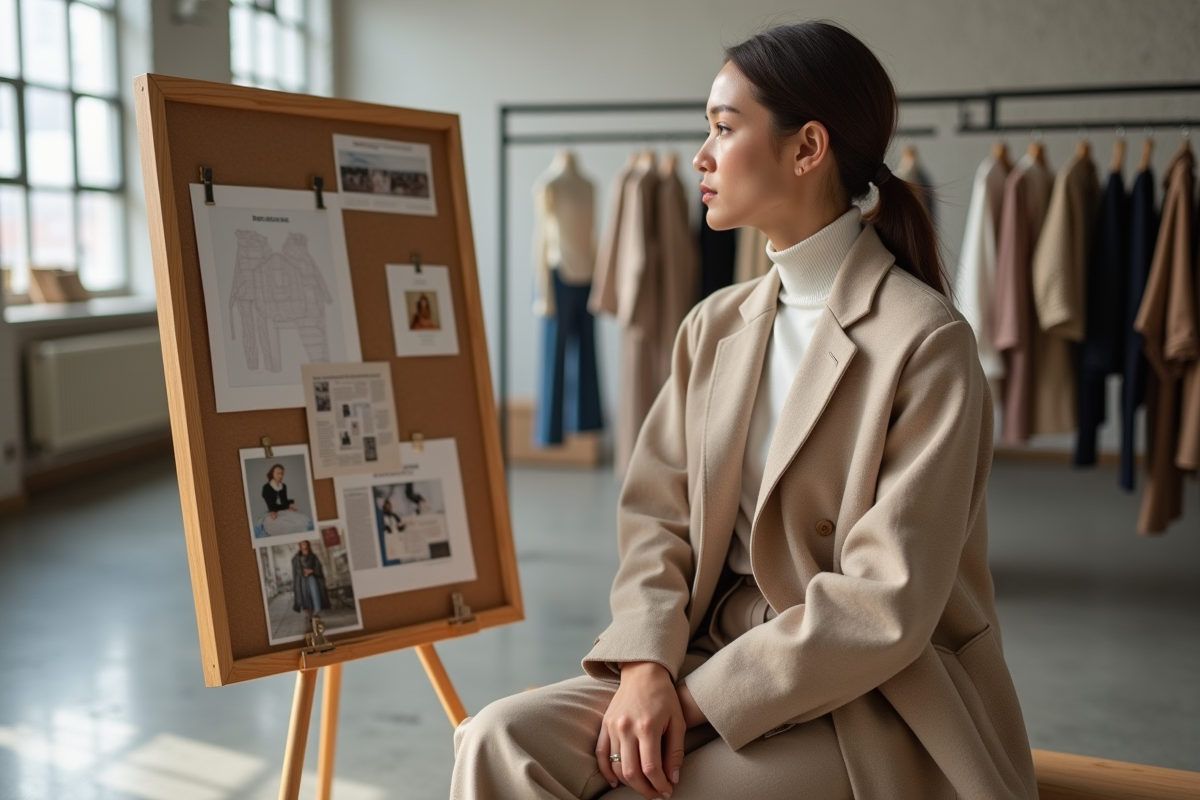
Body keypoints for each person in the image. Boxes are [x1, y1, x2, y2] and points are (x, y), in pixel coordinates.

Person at [450, 21, 1037, 800]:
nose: (701, 155)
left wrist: (691, 701)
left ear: (807, 148)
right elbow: (657, 520)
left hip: (867, 698)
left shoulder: (925, 342)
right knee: (494, 739)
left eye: (724, 128)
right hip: (697, 655)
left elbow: (885, 602)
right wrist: (645, 668)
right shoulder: (714, 325)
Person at [259, 464, 312, 537]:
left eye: (282, 473)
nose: (280, 476)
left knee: (300, 521)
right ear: (272, 473)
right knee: (283, 526)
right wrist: (276, 510)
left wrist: (290, 504)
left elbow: (284, 501)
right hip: (273, 511)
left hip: (283, 510)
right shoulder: (266, 487)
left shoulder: (283, 486)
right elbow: (271, 505)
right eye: (278, 473)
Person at [291, 539, 328, 622]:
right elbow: (295, 570)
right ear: (300, 546)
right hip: (302, 580)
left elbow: (318, 566)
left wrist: (312, 571)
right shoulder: (297, 558)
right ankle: (309, 615)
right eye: (302, 544)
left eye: (305, 544)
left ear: (308, 545)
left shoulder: (313, 556)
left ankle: (316, 613)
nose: (303, 546)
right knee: (304, 596)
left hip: (312, 578)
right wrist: (302, 572)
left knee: (315, 594)